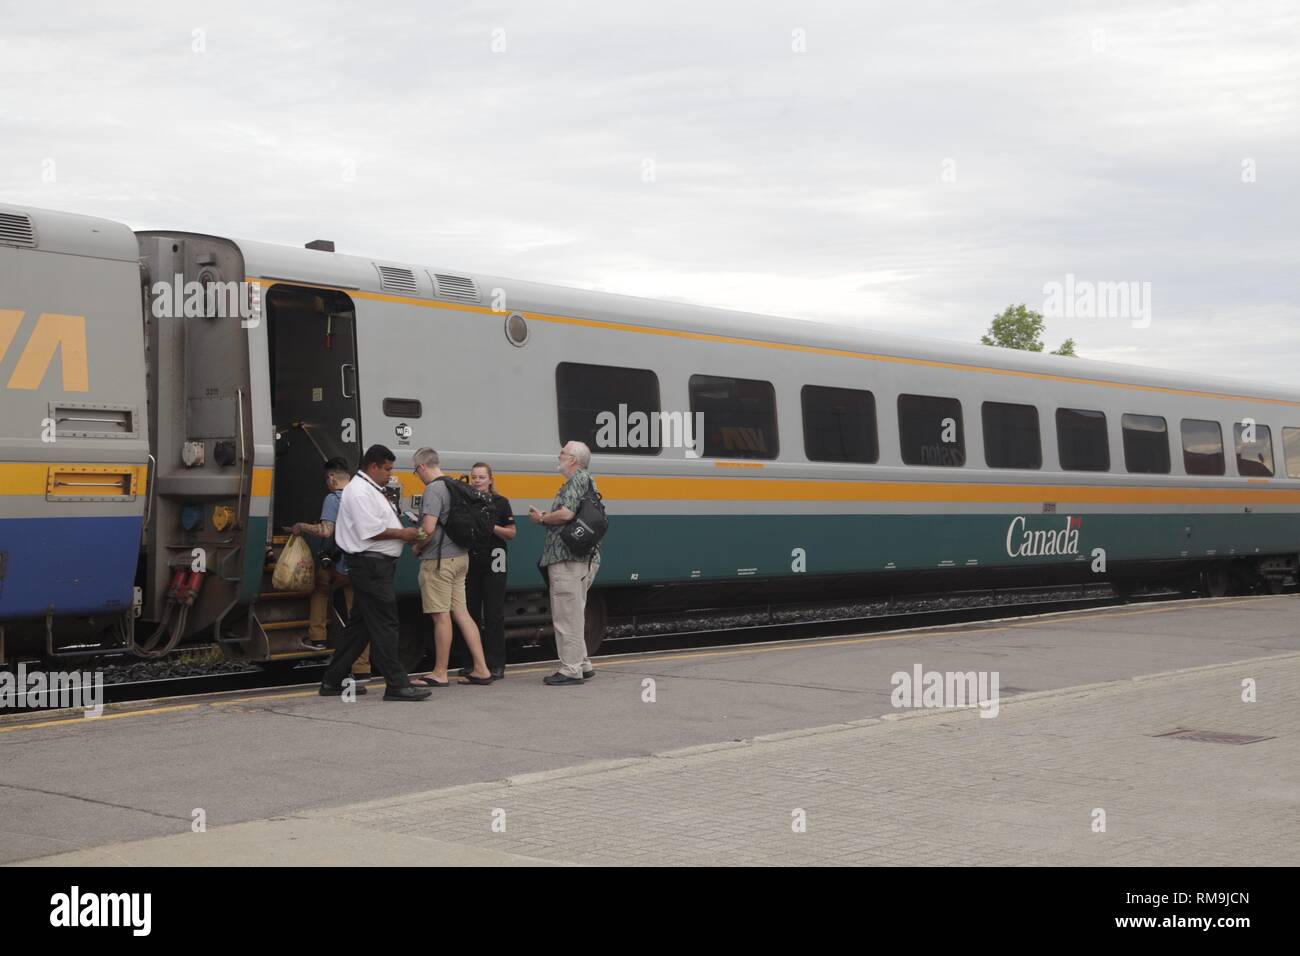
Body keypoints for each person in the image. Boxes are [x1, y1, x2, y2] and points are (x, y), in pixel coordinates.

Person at [320, 444, 430, 702]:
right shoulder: (359, 492)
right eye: (387, 469)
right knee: (386, 622)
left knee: (361, 627)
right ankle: (397, 684)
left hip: (374, 565)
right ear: (373, 466)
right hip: (370, 566)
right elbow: (370, 530)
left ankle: (332, 680)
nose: (390, 475)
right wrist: (404, 534)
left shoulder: (370, 488)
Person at [411, 448, 494, 686]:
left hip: (439, 562)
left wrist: (416, 547)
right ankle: (481, 668)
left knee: (441, 616)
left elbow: (427, 529)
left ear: (422, 467)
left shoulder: (434, 490)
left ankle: (440, 672)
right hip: (461, 558)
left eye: (415, 472)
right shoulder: (455, 486)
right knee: (462, 613)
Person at [292, 458, 370, 680]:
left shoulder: (333, 498)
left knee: (319, 587)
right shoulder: (362, 495)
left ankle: (317, 637)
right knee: (359, 619)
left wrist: (302, 526)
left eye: (327, 479)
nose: (327, 483)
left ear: (332, 477)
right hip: (362, 564)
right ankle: (362, 669)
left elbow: (326, 531)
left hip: (341, 566)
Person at [529, 440, 600, 685]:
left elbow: (566, 514)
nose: (558, 456)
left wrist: (542, 518)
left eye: (562, 453)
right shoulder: (586, 481)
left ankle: (571, 670)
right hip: (580, 560)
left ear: (573, 460)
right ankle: (583, 663)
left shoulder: (577, 480)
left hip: (568, 560)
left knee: (566, 617)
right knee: (574, 613)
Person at [461, 462, 515, 680]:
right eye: (474, 477)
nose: (477, 481)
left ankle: (496, 664)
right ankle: (471, 662)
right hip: (472, 560)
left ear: (491, 479)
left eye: (482, 477)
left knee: (493, 613)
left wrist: (491, 527)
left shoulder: (501, 503)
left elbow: (511, 533)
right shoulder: (466, 503)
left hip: (495, 560)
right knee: (469, 613)